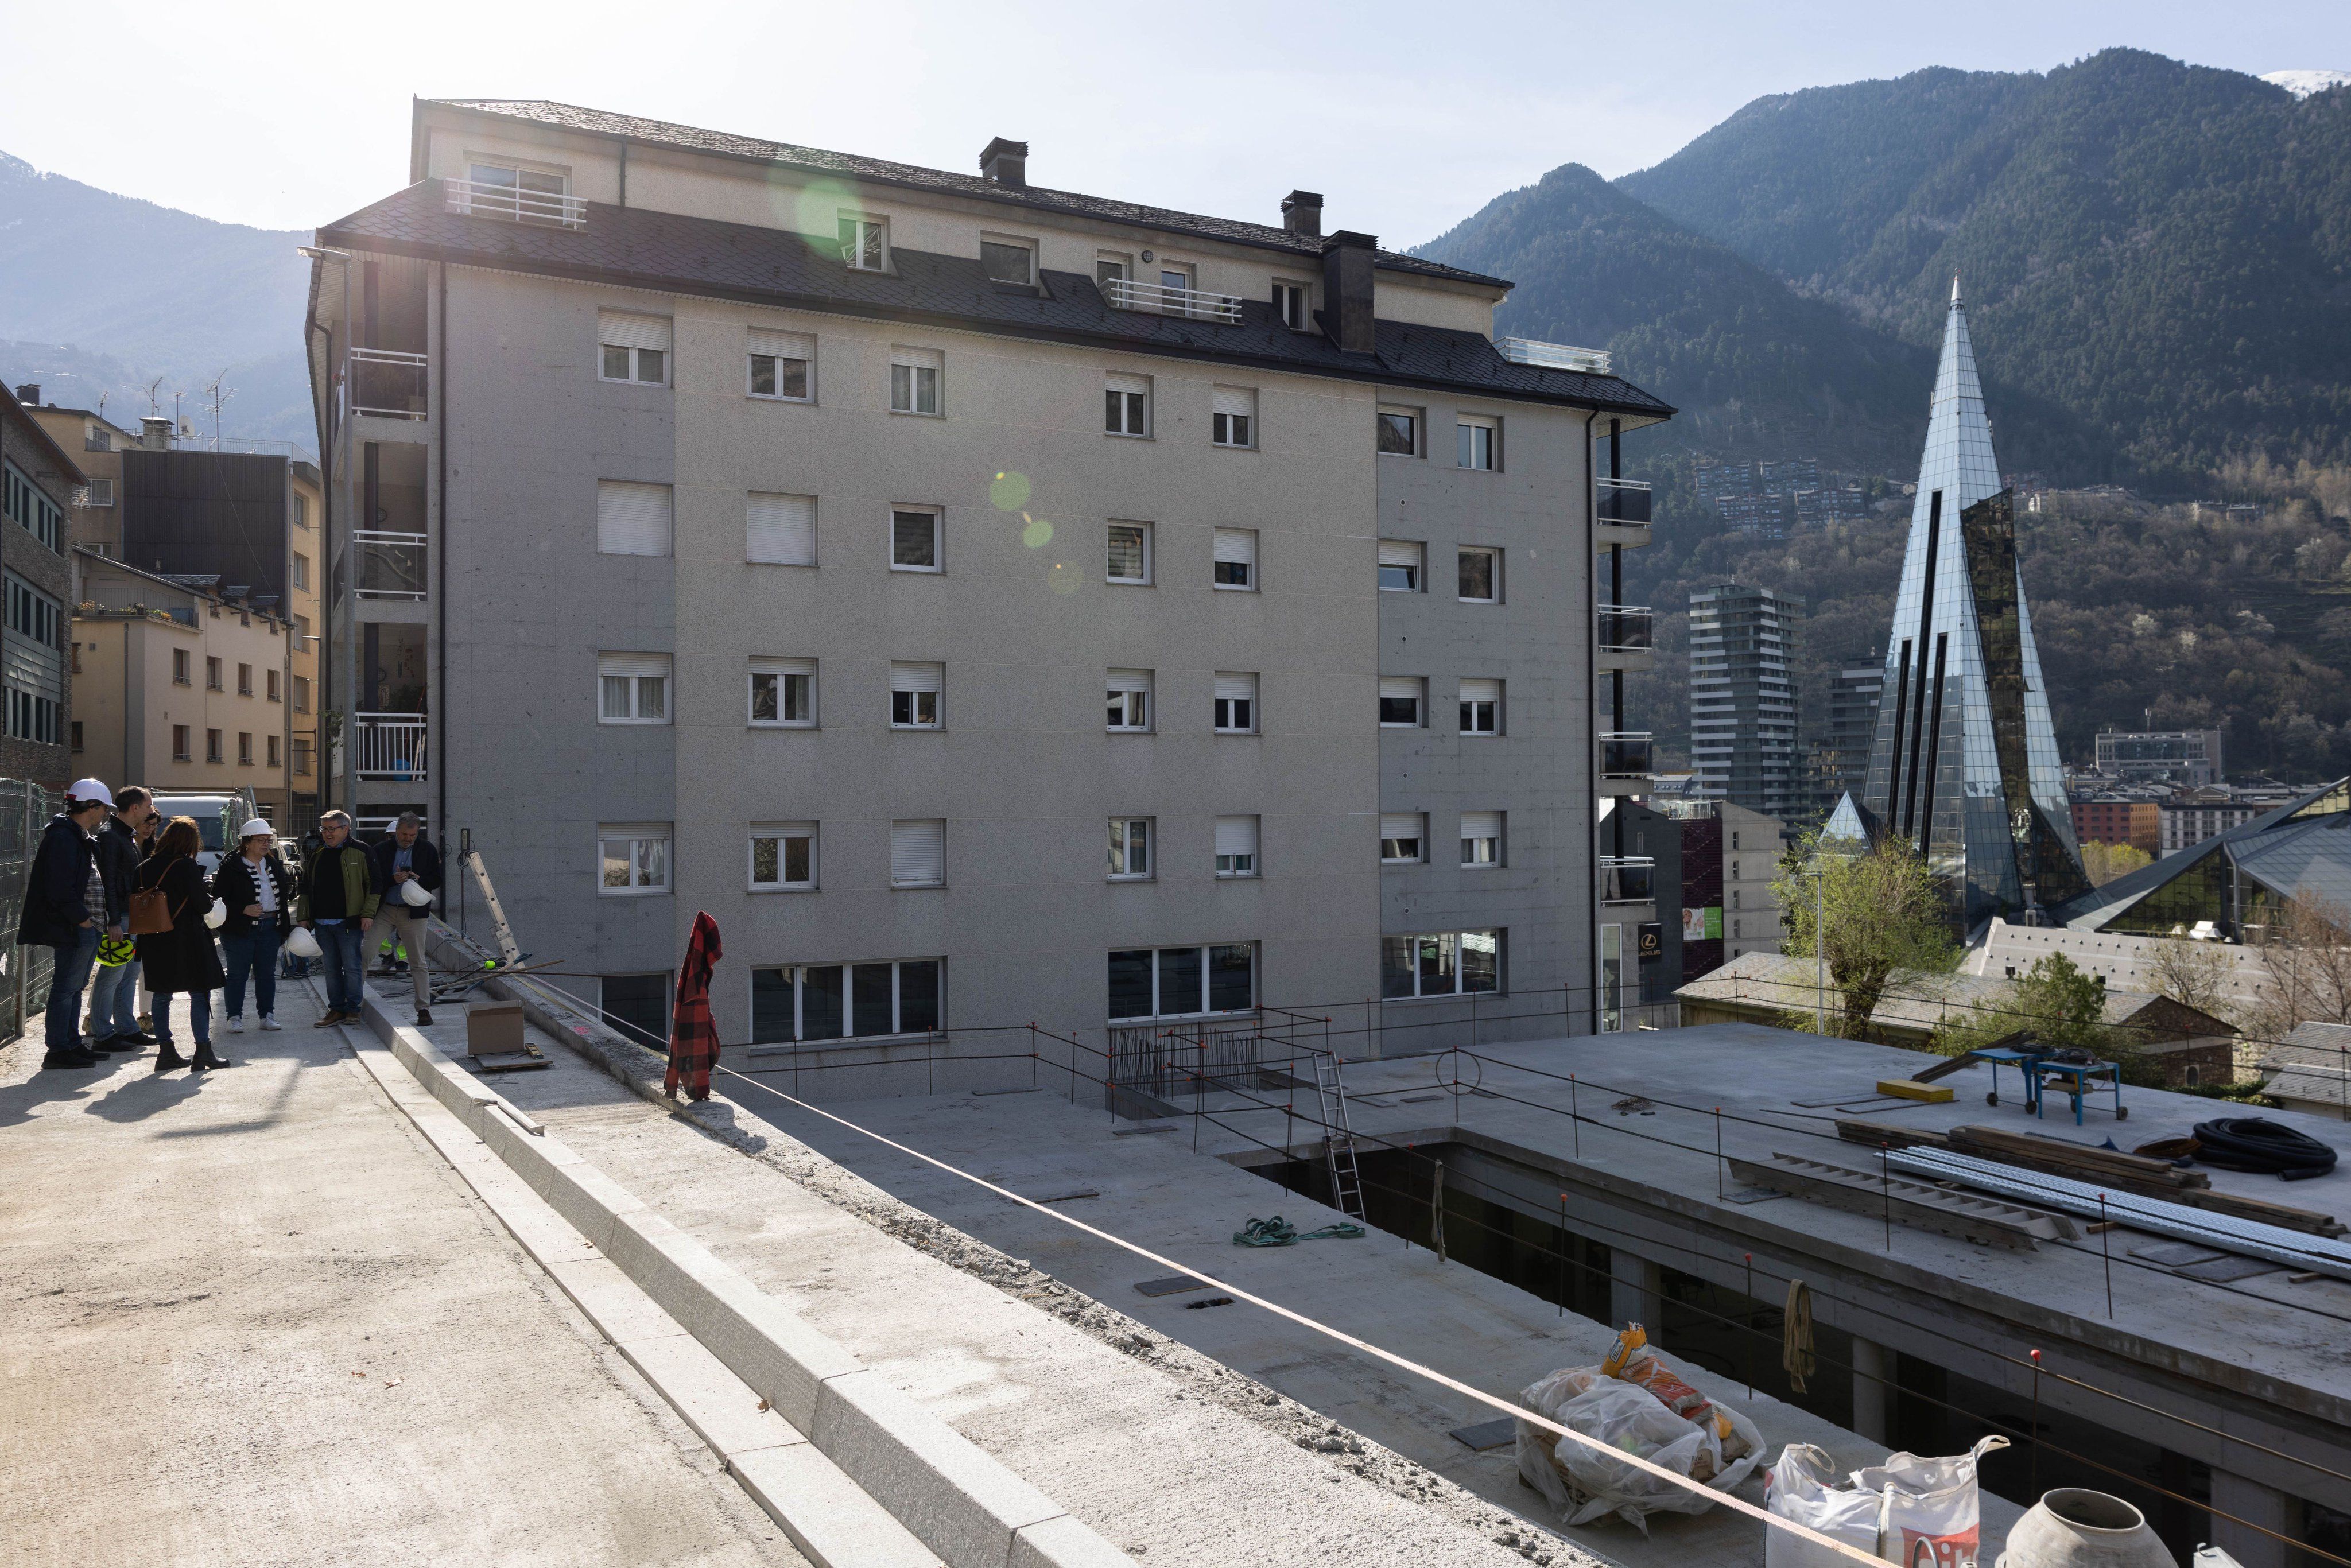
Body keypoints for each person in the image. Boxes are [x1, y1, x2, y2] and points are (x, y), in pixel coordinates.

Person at [19, 780, 115, 1069]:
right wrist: (83, 920)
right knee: (66, 988)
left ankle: (72, 1044)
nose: (104, 816)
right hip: (76, 927)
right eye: (103, 809)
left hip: (85, 926)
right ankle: (59, 1050)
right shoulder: (64, 838)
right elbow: (59, 886)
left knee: (75, 987)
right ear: (92, 807)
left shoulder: (77, 836)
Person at [133, 816, 230, 1073]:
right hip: (188, 939)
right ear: (191, 842)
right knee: (199, 993)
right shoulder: (186, 866)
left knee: (162, 995)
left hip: (153, 939)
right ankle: (202, 1052)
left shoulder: (142, 867)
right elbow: (202, 905)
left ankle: (166, 1052)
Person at [86, 785, 155, 1052]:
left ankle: (127, 1028)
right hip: (120, 919)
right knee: (111, 974)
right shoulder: (111, 837)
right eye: (148, 806)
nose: (151, 812)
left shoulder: (125, 835)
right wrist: (113, 922)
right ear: (135, 808)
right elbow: (109, 883)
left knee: (128, 975)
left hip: (130, 916)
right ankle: (103, 1033)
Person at [213, 818, 294, 1033]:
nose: (266, 844)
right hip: (240, 929)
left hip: (270, 926)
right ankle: (234, 1017)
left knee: (267, 973)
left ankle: (267, 1015)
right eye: (261, 840)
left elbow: (283, 898)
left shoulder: (273, 865)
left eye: (268, 840)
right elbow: (217, 899)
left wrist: (283, 926)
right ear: (247, 843)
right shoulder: (230, 867)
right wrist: (243, 909)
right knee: (237, 974)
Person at [297, 810, 378, 1026]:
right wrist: (303, 916)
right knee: (331, 968)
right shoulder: (317, 854)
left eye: (332, 829)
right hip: (322, 923)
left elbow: (375, 885)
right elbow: (305, 886)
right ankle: (336, 1010)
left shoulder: (362, 851)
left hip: (349, 922)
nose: (327, 834)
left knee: (351, 966)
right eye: (324, 829)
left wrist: (368, 914)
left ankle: (353, 1010)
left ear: (346, 829)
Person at [368, 811, 441, 1027]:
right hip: (386, 909)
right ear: (396, 831)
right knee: (365, 953)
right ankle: (354, 1002)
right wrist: (393, 880)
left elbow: (436, 880)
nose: (408, 839)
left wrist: (419, 879)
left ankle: (424, 1009)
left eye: (412, 835)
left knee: (418, 962)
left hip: (414, 913)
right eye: (404, 834)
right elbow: (373, 880)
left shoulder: (427, 849)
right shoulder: (381, 850)